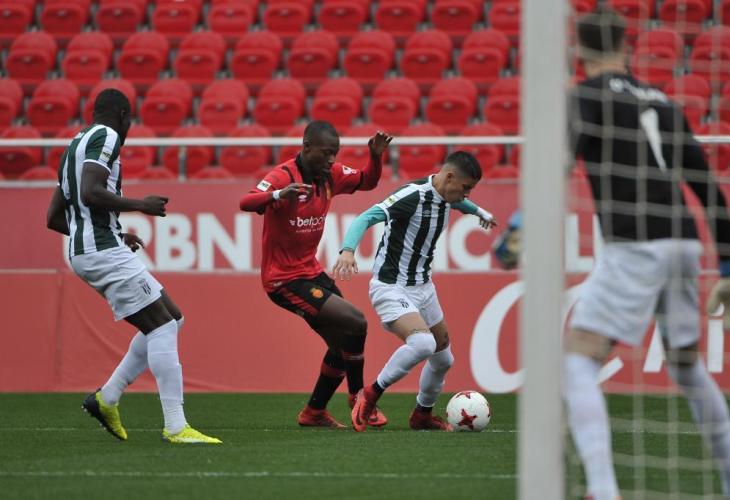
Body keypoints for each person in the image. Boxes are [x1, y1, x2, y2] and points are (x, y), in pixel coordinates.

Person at [566, 9, 730, 499]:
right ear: (625, 46)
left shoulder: (586, 96)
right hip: (684, 240)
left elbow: (560, 160)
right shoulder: (663, 100)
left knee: (577, 360)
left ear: (579, 51)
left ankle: (603, 489)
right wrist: (727, 262)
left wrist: (520, 224)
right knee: (685, 364)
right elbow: (706, 185)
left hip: (635, 241)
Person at [46, 89, 221, 444]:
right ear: (123, 116)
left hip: (93, 247)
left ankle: (106, 398)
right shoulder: (107, 135)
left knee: (172, 318)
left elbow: (54, 217)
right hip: (100, 251)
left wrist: (114, 233)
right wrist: (141, 205)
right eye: (129, 122)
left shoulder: (73, 146)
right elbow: (91, 191)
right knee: (162, 327)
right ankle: (176, 426)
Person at [239, 121, 393, 428]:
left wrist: (375, 156)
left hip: (311, 271)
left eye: (335, 153)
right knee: (356, 321)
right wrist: (278, 195)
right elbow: (246, 201)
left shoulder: (330, 175)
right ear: (306, 147)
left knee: (343, 343)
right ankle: (359, 398)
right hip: (284, 280)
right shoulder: (283, 176)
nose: (332, 159)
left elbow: (367, 181)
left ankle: (314, 412)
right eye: (326, 153)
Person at [332, 151, 497, 432]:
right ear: (449, 177)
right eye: (465, 187)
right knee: (423, 344)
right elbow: (365, 218)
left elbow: (460, 203)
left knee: (443, 360)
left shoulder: (448, 195)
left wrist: (479, 212)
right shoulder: (412, 196)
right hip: (391, 287)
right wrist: (347, 250)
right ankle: (369, 395)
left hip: (424, 288)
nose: (466, 194)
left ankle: (422, 414)